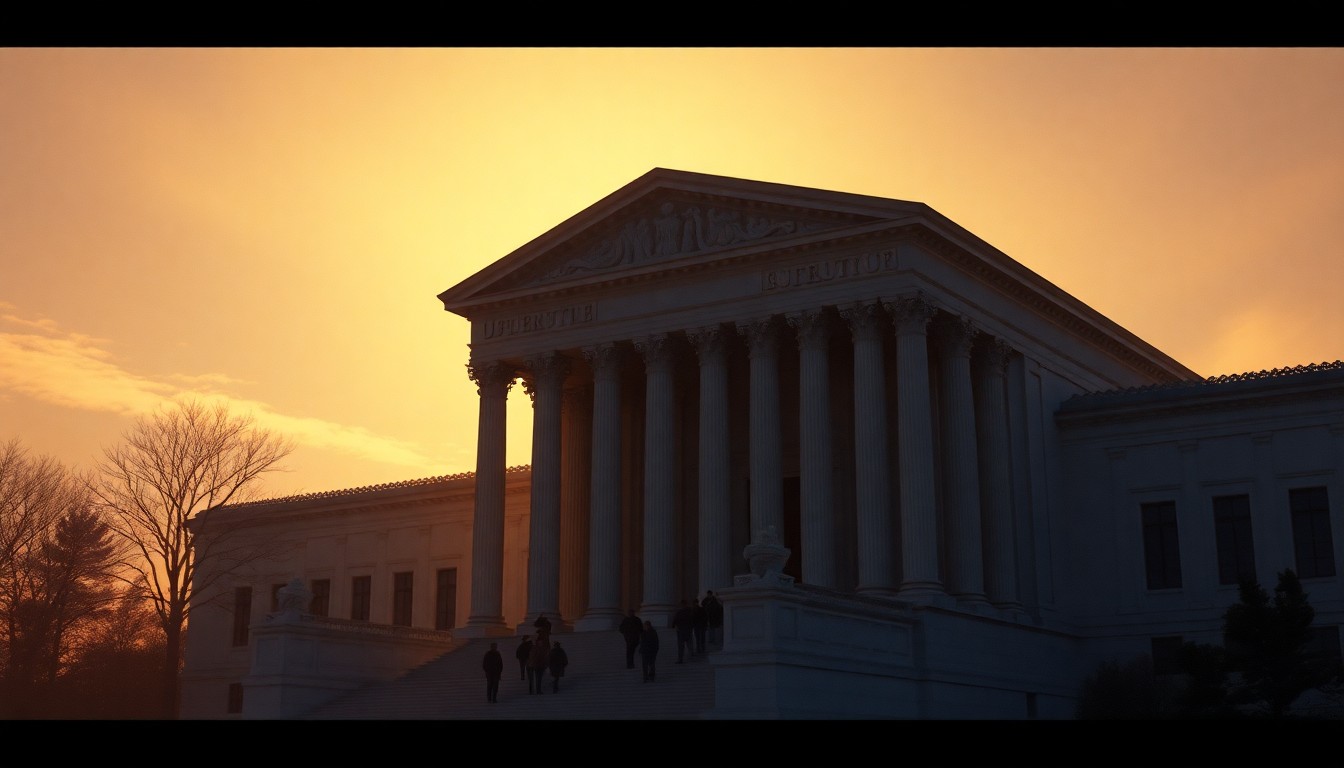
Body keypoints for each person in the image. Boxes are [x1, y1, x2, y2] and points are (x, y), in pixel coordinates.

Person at [672, 599, 695, 663]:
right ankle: (691, 656)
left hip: (681, 630)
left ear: (681, 604)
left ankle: (680, 659)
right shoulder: (690, 611)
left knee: (681, 646)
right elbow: (692, 620)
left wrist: (674, 626)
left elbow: (675, 620)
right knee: (689, 643)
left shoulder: (679, 612)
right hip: (688, 630)